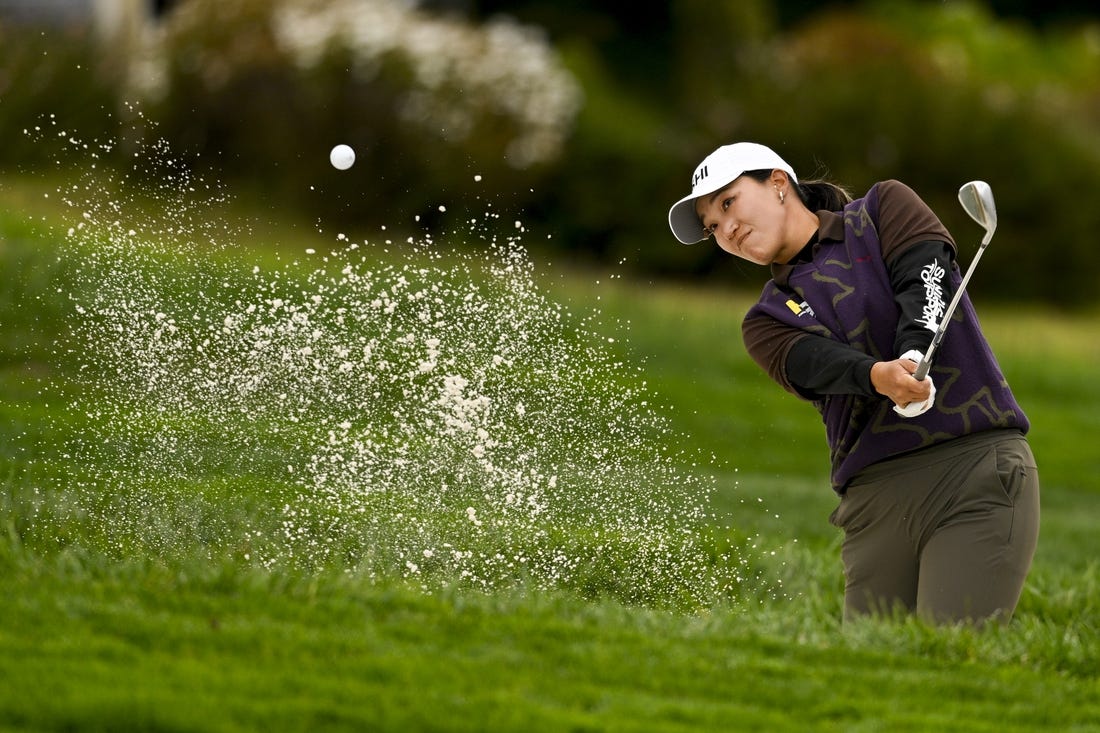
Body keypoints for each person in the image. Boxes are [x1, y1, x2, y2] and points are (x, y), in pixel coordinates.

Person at [667, 142, 1039, 625]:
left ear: (779, 184)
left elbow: (924, 279)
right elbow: (817, 364)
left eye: (729, 203)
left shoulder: (884, 209)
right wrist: (878, 377)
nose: (726, 229)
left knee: (952, 659)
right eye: (712, 227)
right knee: (877, 675)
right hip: (875, 499)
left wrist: (910, 356)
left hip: (973, 472)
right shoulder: (765, 320)